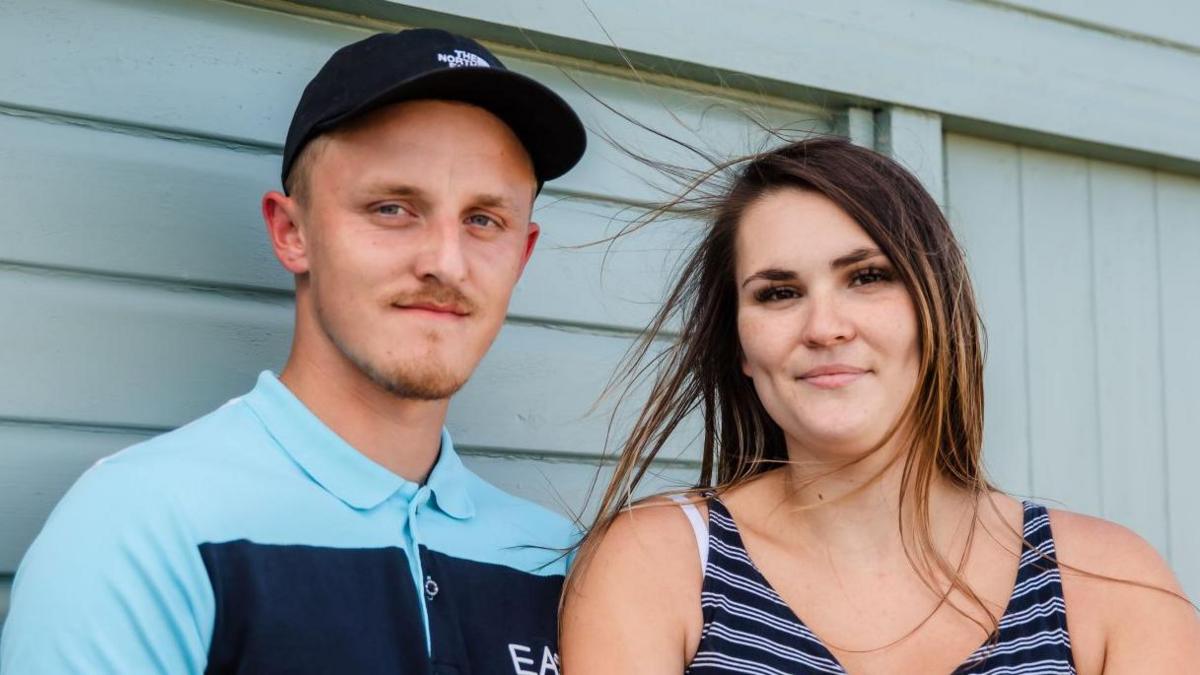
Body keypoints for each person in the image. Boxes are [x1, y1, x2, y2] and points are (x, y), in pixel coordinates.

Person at [2, 28, 585, 674]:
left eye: (483, 220)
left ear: (522, 254)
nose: (445, 263)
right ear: (291, 231)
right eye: (393, 207)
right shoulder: (142, 531)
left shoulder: (558, 564)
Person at [561, 137, 1200, 673]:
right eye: (779, 293)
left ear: (936, 312)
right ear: (742, 349)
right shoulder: (659, 562)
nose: (825, 327)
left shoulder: (1111, 582)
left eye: (867, 277)